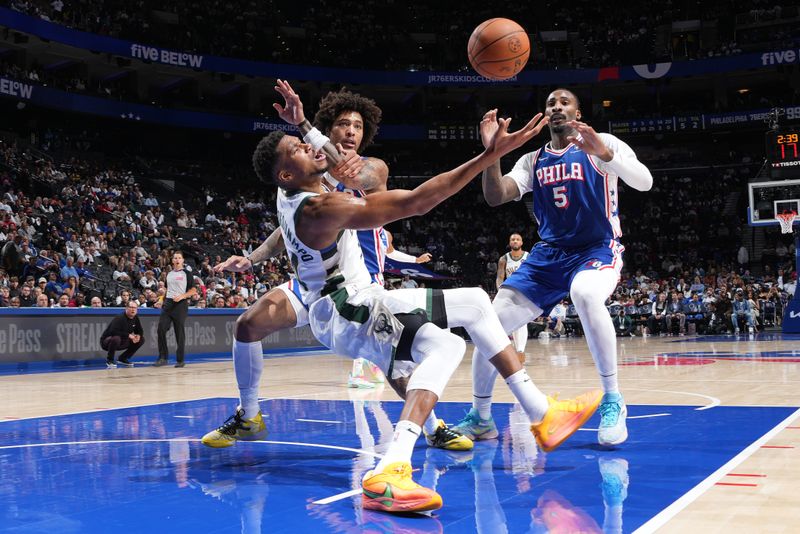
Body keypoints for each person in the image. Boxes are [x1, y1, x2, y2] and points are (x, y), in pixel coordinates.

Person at [207, 79, 599, 515]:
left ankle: (540, 412)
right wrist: (490, 156)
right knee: (442, 346)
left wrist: (302, 126)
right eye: (299, 149)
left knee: (474, 304)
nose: (309, 147)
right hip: (345, 308)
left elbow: (338, 169)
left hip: (350, 297)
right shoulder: (322, 207)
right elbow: (416, 201)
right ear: (289, 172)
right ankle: (391, 468)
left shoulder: (293, 187)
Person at [453, 89, 653, 447]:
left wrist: (606, 155)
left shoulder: (601, 143)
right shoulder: (533, 159)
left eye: (564, 102)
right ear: (545, 115)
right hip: (548, 255)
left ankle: (613, 398)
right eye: (550, 104)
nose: (556, 107)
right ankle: (481, 418)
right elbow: (496, 196)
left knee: (585, 293)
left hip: (596, 248)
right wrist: (492, 153)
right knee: (487, 324)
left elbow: (645, 181)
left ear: (577, 111)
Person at [155, 251, 197, 367]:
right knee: (161, 329)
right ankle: (163, 358)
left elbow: (193, 290)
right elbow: (168, 290)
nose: (177, 260)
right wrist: (161, 300)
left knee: (179, 332)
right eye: (175, 258)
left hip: (180, 305)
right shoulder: (169, 274)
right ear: (172, 260)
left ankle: (180, 360)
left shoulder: (187, 274)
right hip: (168, 304)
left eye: (179, 258)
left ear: (183, 260)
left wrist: (182, 296)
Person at [496, 233, 530, 360]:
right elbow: (500, 278)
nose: (515, 241)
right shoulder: (503, 259)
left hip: (525, 290)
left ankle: (520, 351)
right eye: (512, 239)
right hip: (510, 291)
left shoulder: (528, 257)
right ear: (510, 243)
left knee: (522, 321)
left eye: (517, 239)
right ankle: (512, 349)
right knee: (511, 320)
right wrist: (500, 291)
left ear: (521, 243)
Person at [100, 300, 144, 368]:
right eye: (131, 307)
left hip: (123, 341)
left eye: (135, 308)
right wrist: (129, 335)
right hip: (107, 342)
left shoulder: (135, 318)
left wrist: (138, 336)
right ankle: (110, 360)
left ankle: (123, 358)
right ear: (126, 308)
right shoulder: (120, 318)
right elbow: (113, 331)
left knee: (141, 339)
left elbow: (140, 330)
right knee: (116, 338)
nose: (133, 309)